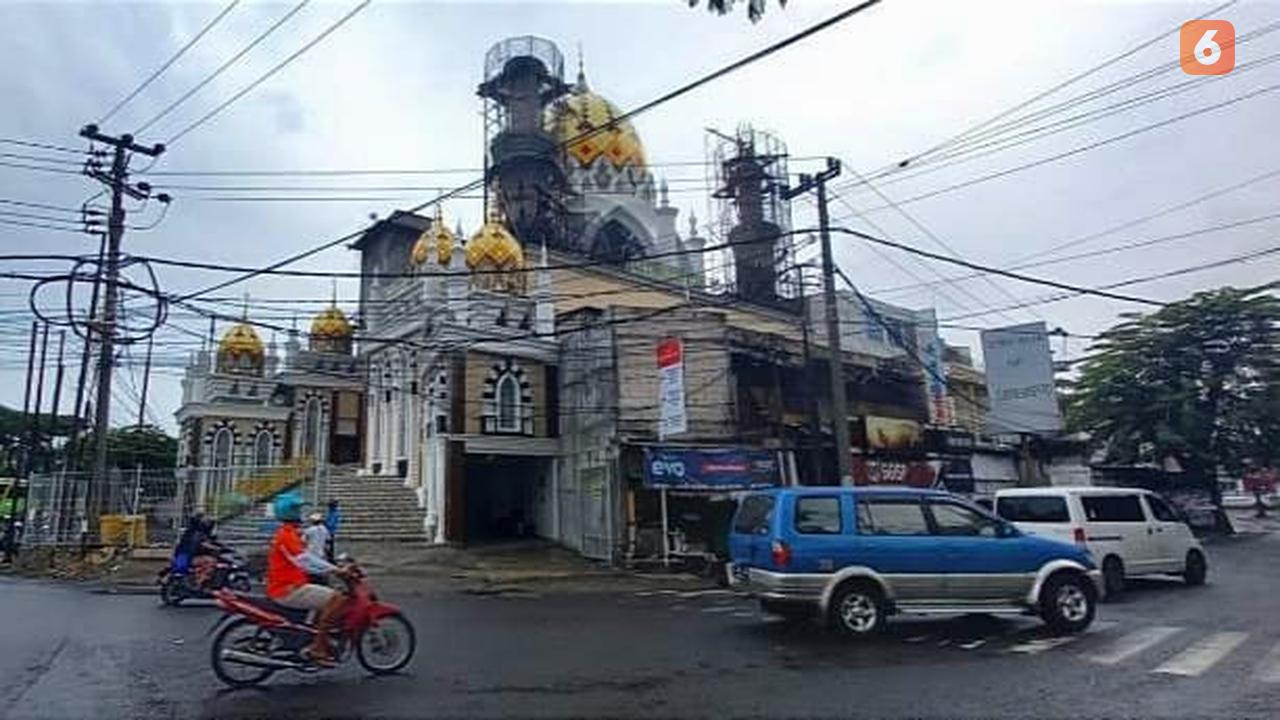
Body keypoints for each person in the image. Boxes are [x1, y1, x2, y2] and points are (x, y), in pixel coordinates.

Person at [267, 492, 348, 666]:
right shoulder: (287, 536)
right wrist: (335, 570)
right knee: (337, 599)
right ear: (291, 513)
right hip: (289, 588)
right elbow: (303, 560)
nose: (301, 514)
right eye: (298, 510)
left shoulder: (292, 533)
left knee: (324, 597)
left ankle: (315, 635)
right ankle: (318, 647)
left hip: (296, 580)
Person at [302, 511, 330, 584]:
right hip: (321, 551)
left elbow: (303, 540)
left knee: (311, 568)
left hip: (311, 551)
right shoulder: (325, 529)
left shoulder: (309, 530)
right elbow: (328, 540)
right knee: (320, 567)